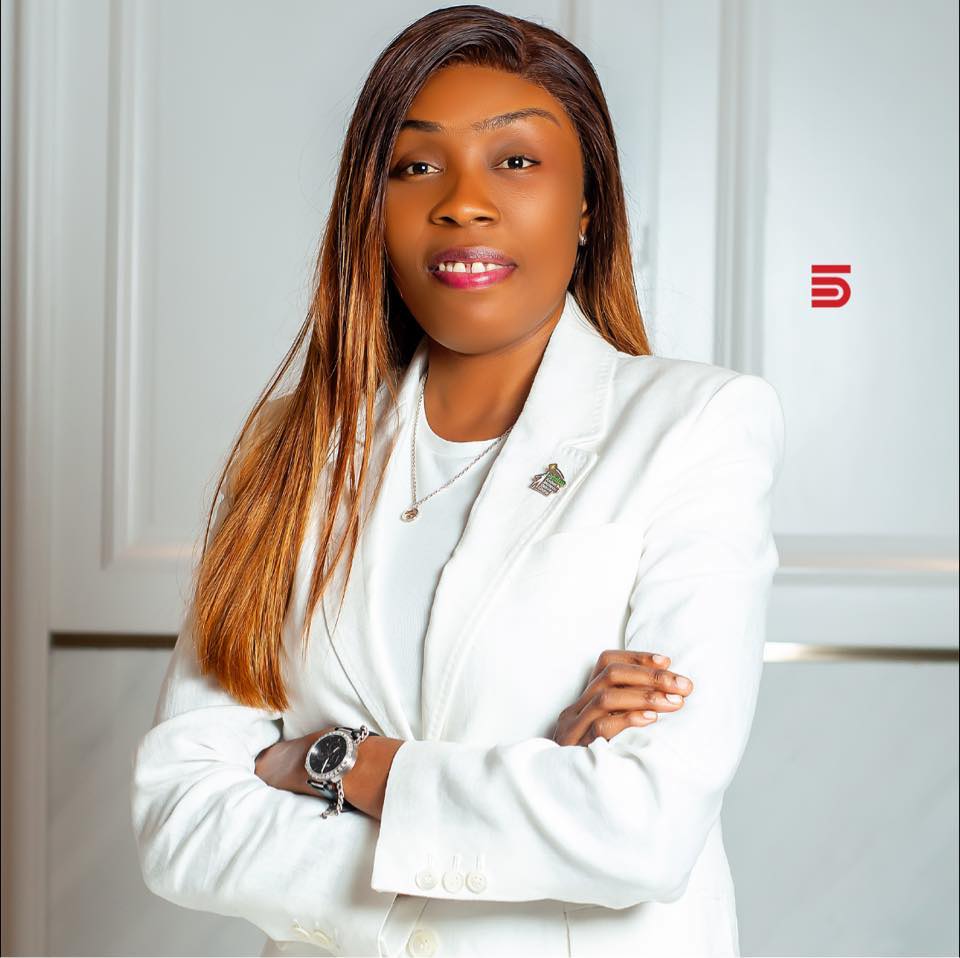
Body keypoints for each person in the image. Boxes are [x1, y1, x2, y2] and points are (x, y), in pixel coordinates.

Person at [130, 6, 784, 957]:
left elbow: (641, 829)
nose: (463, 202)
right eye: (415, 166)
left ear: (589, 205)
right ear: (372, 208)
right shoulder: (289, 449)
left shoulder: (697, 426)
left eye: (515, 160)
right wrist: (520, 799)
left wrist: (330, 764)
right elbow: (181, 824)